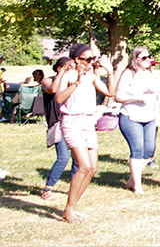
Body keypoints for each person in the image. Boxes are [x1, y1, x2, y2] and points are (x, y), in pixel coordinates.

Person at [54, 43, 114, 222]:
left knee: (92, 168)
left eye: (93, 59)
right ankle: (68, 210)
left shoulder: (91, 76)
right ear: (77, 59)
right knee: (84, 166)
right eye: (88, 59)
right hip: (72, 121)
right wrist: (77, 82)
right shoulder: (69, 75)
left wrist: (109, 72)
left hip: (88, 122)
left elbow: (110, 92)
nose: (91, 62)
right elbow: (59, 98)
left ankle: (72, 208)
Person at [115, 46, 160, 194]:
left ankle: (132, 180)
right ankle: (137, 185)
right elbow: (118, 96)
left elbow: (157, 90)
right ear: (135, 59)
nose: (147, 60)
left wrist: (159, 97)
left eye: (148, 56)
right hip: (131, 116)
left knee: (149, 151)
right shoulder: (128, 73)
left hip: (149, 116)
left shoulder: (150, 73)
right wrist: (136, 98)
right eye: (143, 58)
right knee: (137, 150)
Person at [41, 57, 77, 201]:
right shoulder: (47, 81)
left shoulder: (71, 81)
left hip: (72, 121)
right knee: (63, 157)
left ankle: (74, 188)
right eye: (69, 67)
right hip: (57, 123)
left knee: (77, 157)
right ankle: (47, 189)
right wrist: (62, 73)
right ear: (59, 68)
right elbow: (53, 90)